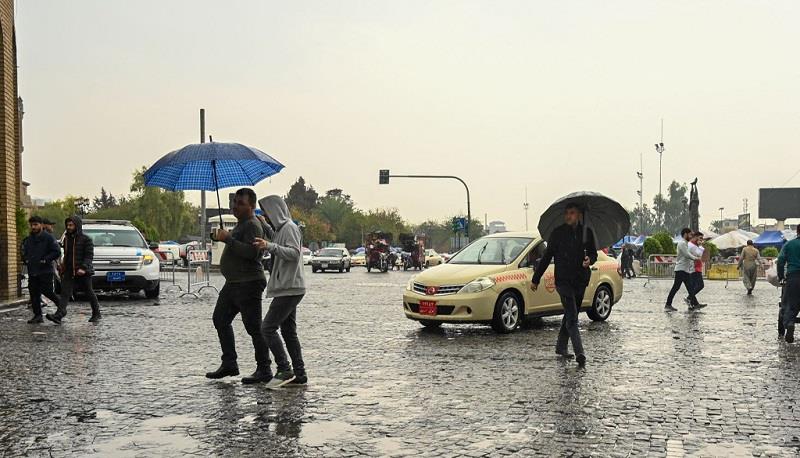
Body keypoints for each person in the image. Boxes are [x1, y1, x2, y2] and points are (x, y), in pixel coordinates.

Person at [205, 188, 272, 384]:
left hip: (248, 283)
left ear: (251, 206)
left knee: (253, 327)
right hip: (234, 283)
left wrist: (228, 239)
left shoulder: (252, 225)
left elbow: (253, 253)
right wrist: (222, 237)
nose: (235, 206)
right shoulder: (242, 224)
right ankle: (229, 363)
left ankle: (264, 368)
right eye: (234, 202)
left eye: (240, 203)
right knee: (220, 319)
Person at [531, 202, 596, 366]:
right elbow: (547, 257)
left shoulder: (586, 232)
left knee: (570, 314)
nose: (568, 216)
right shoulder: (557, 233)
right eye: (566, 213)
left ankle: (561, 347)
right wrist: (536, 279)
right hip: (563, 281)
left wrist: (590, 259)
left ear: (579, 215)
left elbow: (593, 253)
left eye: (572, 213)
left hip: (580, 280)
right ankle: (580, 352)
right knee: (572, 318)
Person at [254, 195, 307, 386]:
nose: (267, 217)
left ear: (275, 211)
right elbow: (277, 239)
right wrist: (264, 226)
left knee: (267, 328)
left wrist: (269, 246)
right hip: (289, 287)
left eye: (267, 213)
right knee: (288, 331)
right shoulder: (281, 229)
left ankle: (284, 368)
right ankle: (299, 373)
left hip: (289, 287)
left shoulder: (290, 228)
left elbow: (293, 253)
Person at [46, 216, 101, 324]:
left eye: (71, 225)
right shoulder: (67, 239)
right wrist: (63, 266)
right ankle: (59, 314)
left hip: (83, 272)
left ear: (77, 225)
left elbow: (89, 256)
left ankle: (96, 313)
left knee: (89, 292)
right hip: (69, 271)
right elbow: (67, 255)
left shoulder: (86, 239)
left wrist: (83, 268)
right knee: (65, 293)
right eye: (67, 225)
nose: (69, 227)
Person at [21, 216, 62, 324]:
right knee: (34, 293)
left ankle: (62, 307)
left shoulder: (48, 238)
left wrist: (45, 259)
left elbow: (56, 251)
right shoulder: (29, 239)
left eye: (35, 225)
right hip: (33, 270)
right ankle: (38, 315)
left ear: (41, 225)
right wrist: (25, 259)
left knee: (47, 291)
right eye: (31, 225)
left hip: (45, 270)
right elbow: (24, 251)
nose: (33, 227)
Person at [665, 228, 706, 312]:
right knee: (676, 287)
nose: (691, 236)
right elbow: (687, 255)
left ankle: (695, 304)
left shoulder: (686, 244)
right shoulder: (682, 243)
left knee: (690, 288)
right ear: (685, 234)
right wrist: (696, 258)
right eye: (690, 234)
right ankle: (668, 304)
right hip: (680, 269)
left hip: (685, 270)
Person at [778, 226, 800, 343]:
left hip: (793, 278)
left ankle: (790, 323)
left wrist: (781, 276)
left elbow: (781, 260)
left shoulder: (789, 244)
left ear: (797, 231)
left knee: (790, 304)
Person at [686, 232, 707, 304]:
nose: (701, 240)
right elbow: (699, 254)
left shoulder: (692, 245)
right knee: (700, 285)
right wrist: (701, 246)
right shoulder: (692, 246)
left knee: (693, 287)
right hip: (695, 268)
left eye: (702, 239)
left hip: (694, 268)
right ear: (695, 237)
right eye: (700, 238)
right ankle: (689, 298)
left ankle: (693, 304)